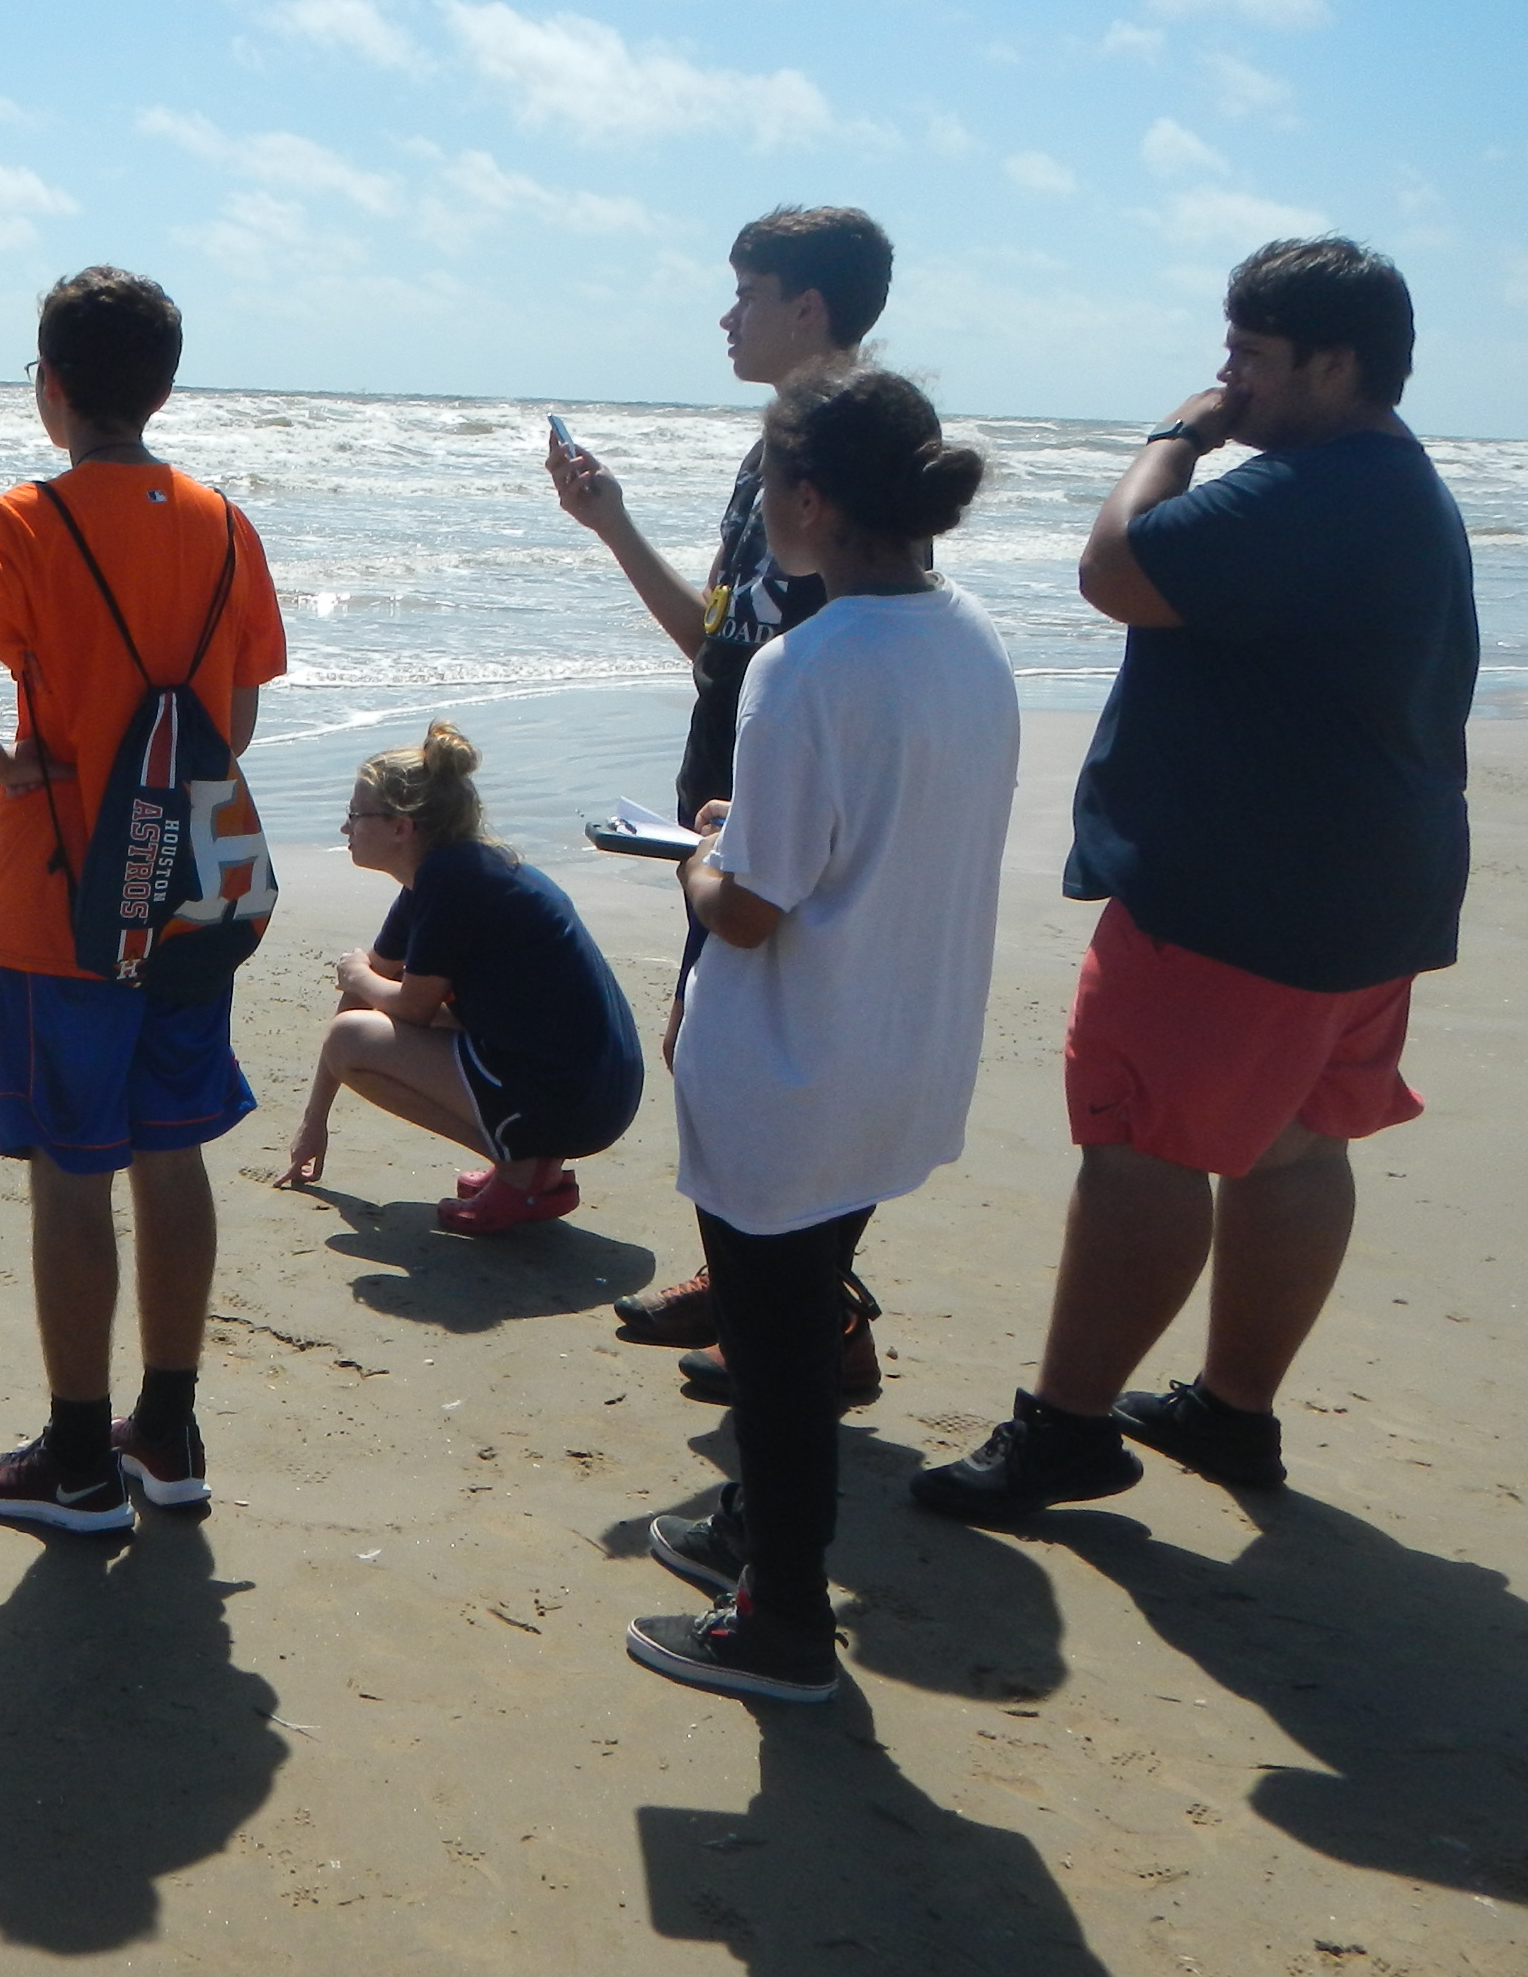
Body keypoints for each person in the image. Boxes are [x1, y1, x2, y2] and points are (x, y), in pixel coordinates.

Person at [914, 239, 1475, 1522]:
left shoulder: (1313, 484)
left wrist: (1174, 434)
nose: (1224, 377)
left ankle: (1064, 1433)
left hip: (1240, 896)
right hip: (1369, 890)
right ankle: (1233, 1411)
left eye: (1249, 356)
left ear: (1334, 365)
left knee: (1142, 1148)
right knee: (1289, 1146)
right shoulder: (1393, 480)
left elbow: (1116, 567)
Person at [625, 366, 1017, 1704]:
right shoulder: (971, 637)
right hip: (906, 1047)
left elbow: (746, 914)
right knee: (798, 1304)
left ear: (803, 498)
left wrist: (699, 854)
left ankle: (783, 1614)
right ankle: (747, 1534)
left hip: (797, 1059)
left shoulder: (807, 664)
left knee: (780, 1345)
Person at [0, 266, 288, 1533]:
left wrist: (2, 765)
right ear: (166, 386)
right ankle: (167, 1436)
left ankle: (75, 1463)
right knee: (167, 1147)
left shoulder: (22, 520)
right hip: (184, 889)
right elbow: (233, 718)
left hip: (58, 893)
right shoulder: (223, 522)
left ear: (51, 387)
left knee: (70, 1173)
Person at [545, 205, 898, 1388]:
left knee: (758, 1063)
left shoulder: (851, 456)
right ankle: (775, 1303)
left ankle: (807, 1322)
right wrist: (611, 524)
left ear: (809, 309)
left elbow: (853, 652)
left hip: (785, 819)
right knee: (716, 1047)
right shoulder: (774, 456)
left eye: (745, 291)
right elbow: (718, 646)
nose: (725, 315)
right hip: (727, 805)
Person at [272, 721, 642, 1233]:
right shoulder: (444, 875)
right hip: (588, 1087)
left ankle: (522, 1171)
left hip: (576, 1098)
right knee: (356, 1031)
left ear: (402, 826)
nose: (345, 828)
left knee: (351, 1038)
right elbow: (379, 990)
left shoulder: (453, 880)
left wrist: (357, 974)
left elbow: (409, 1007)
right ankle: (527, 1160)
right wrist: (314, 1123)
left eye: (355, 815)